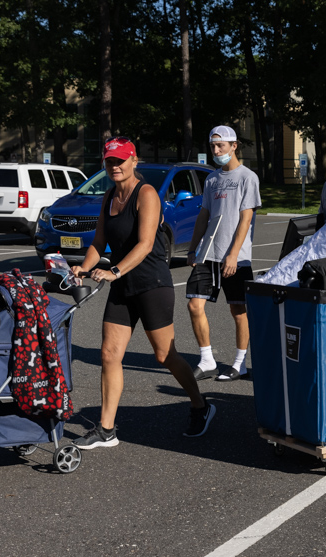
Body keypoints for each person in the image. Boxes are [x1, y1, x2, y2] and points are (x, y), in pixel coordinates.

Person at [70, 137, 216, 448]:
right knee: (109, 354)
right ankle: (106, 430)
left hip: (152, 284)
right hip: (123, 286)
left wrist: (114, 271)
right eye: (110, 161)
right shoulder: (109, 195)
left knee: (165, 355)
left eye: (121, 160)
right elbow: (98, 241)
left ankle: (201, 406)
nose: (115, 166)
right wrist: (83, 267)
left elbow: (146, 244)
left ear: (134, 160)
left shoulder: (146, 193)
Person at [186, 126, 261, 382]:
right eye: (213, 146)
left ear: (234, 146)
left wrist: (233, 254)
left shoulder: (247, 177)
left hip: (235, 257)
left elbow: (246, 218)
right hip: (208, 253)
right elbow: (204, 215)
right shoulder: (212, 179)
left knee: (239, 311)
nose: (216, 151)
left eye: (221, 146)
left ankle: (239, 364)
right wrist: (193, 247)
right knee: (194, 305)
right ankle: (207, 360)